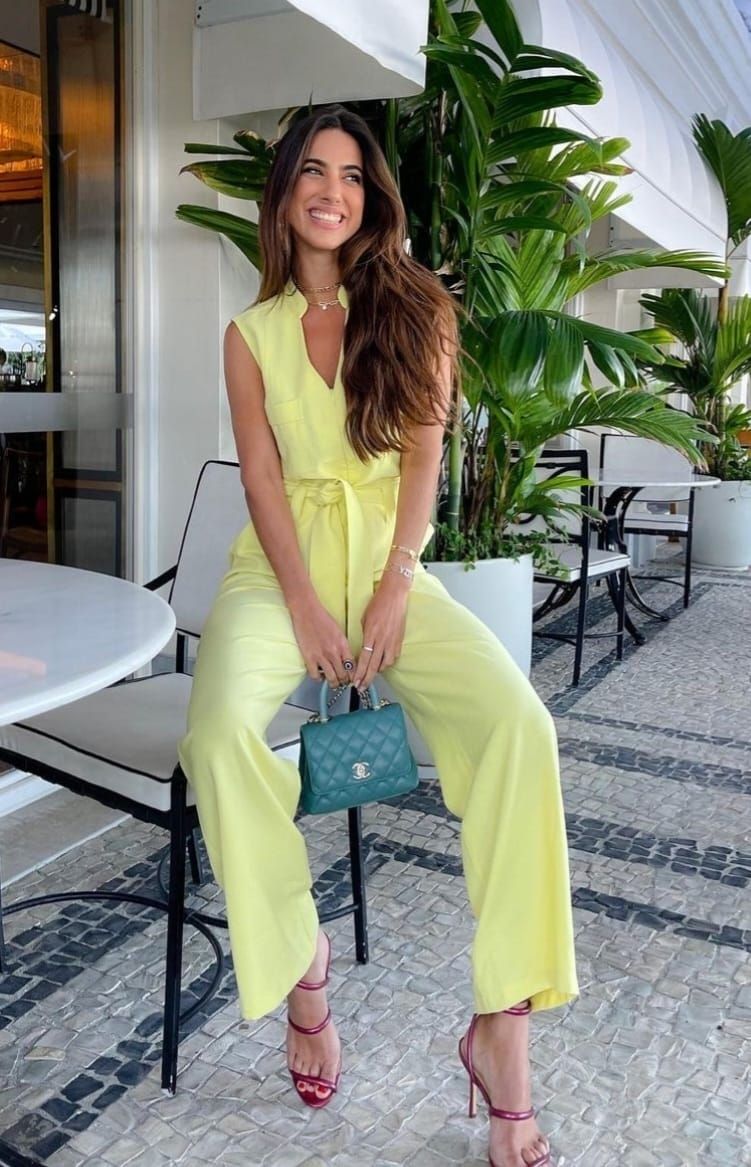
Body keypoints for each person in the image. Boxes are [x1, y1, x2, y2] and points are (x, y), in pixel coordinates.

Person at [178, 105, 578, 1167]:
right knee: (217, 734)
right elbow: (261, 481)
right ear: (283, 196)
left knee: (519, 728)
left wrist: (395, 586)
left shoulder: (415, 307)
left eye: (353, 175)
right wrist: (306, 605)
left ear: (373, 198)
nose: (333, 191)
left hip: (392, 568)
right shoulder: (250, 335)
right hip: (280, 575)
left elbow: (423, 460)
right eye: (313, 171)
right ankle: (303, 967)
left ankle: (503, 1027)